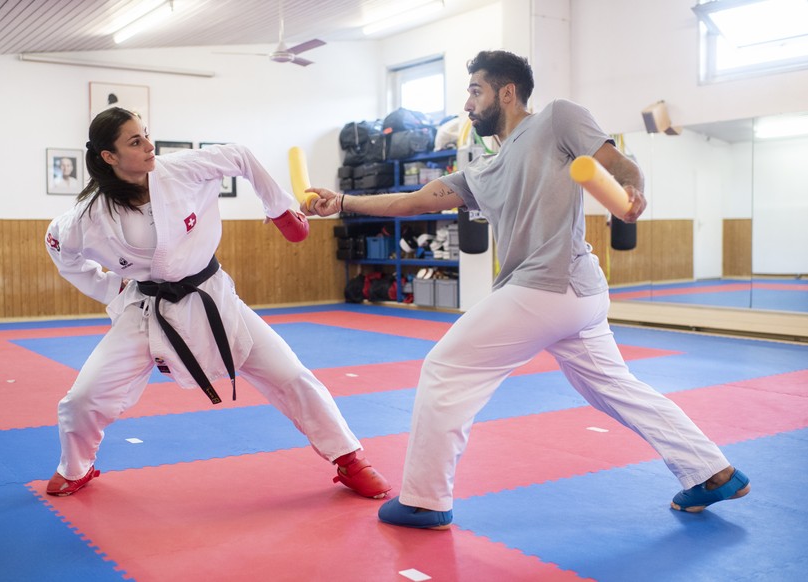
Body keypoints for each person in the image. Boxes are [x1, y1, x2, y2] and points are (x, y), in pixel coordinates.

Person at [305, 50, 749, 530]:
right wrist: (345, 201)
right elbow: (413, 199)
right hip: (575, 296)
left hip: (547, 286)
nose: (469, 104)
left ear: (507, 92)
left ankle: (424, 500)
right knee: (615, 389)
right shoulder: (484, 169)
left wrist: (633, 189)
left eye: (476, 91)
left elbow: (620, 165)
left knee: (445, 368)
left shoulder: (557, 119)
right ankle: (713, 472)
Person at [43, 107, 390, 500]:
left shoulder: (179, 170)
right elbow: (59, 249)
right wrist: (109, 288)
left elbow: (240, 155)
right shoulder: (87, 218)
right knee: (84, 397)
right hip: (145, 310)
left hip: (212, 297)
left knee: (291, 375)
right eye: (135, 141)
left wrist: (279, 209)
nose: (149, 146)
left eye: (146, 134)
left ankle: (349, 458)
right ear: (109, 156)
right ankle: (75, 467)